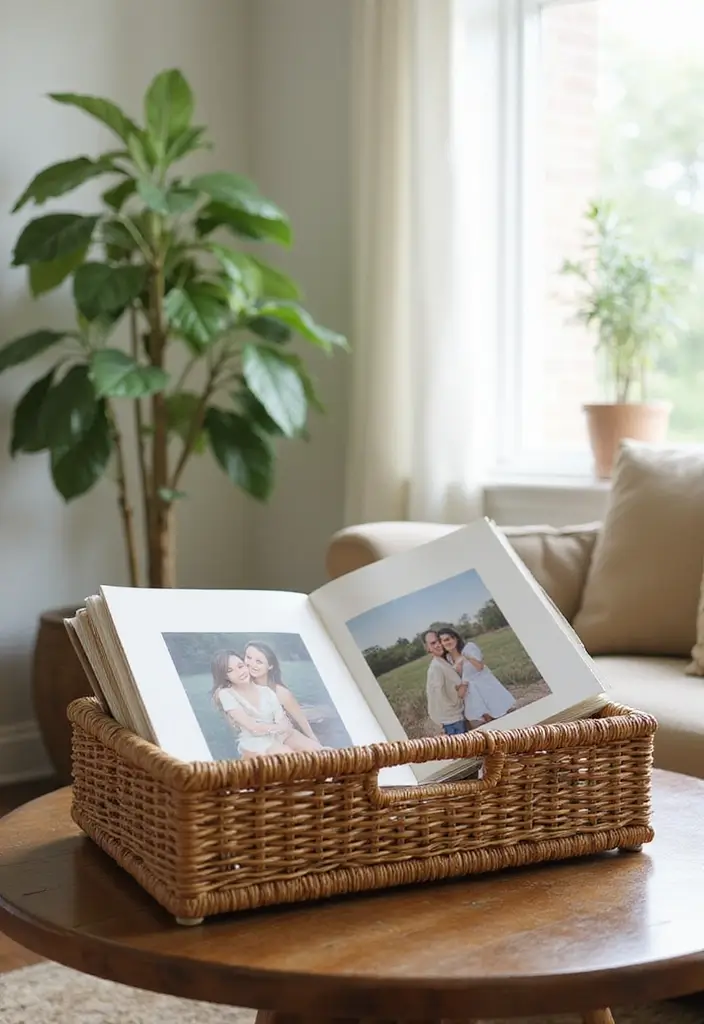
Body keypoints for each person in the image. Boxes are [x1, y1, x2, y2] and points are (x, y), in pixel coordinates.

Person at [211, 649, 296, 758]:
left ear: (246, 665)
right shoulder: (226, 694)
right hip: (253, 743)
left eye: (240, 666)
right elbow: (253, 728)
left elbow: (283, 721)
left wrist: (280, 729)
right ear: (225, 676)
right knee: (288, 755)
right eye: (230, 670)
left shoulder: (266, 692)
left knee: (308, 751)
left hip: (276, 738)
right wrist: (279, 728)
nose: (239, 672)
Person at [244, 641, 324, 750]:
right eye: (248, 657)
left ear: (270, 666)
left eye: (259, 662)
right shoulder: (240, 690)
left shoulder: (280, 692)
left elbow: (302, 722)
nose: (251, 664)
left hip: (286, 735)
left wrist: (315, 741)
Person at [437, 627, 515, 724]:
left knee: (502, 714)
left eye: (448, 639)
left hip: (484, 684)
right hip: (470, 691)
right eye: (443, 641)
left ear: (455, 638)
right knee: (486, 720)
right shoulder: (448, 658)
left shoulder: (469, 647)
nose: (447, 643)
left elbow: (479, 667)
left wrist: (465, 657)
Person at [423, 630, 467, 736]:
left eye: (439, 641)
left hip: (457, 718)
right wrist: (462, 689)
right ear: (427, 648)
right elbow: (439, 698)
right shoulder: (435, 668)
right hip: (453, 722)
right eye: (433, 643)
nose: (438, 645)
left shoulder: (444, 661)